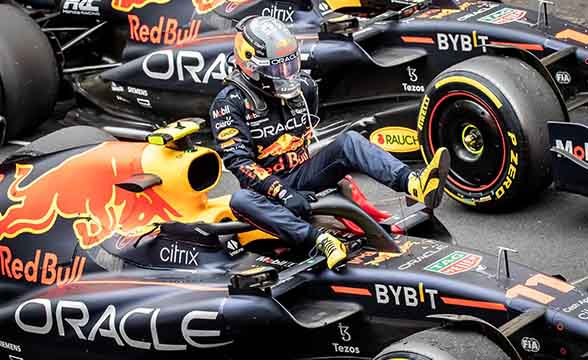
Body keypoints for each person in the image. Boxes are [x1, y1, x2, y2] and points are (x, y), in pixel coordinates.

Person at [210, 16, 450, 270]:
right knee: (240, 200)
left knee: (350, 140)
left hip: (303, 175)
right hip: (266, 192)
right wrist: (283, 192)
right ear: (251, 66)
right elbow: (240, 163)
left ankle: (415, 183)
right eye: (277, 69)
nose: (288, 76)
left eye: (290, 65)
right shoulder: (229, 103)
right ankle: (321, 241)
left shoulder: (304, 87)